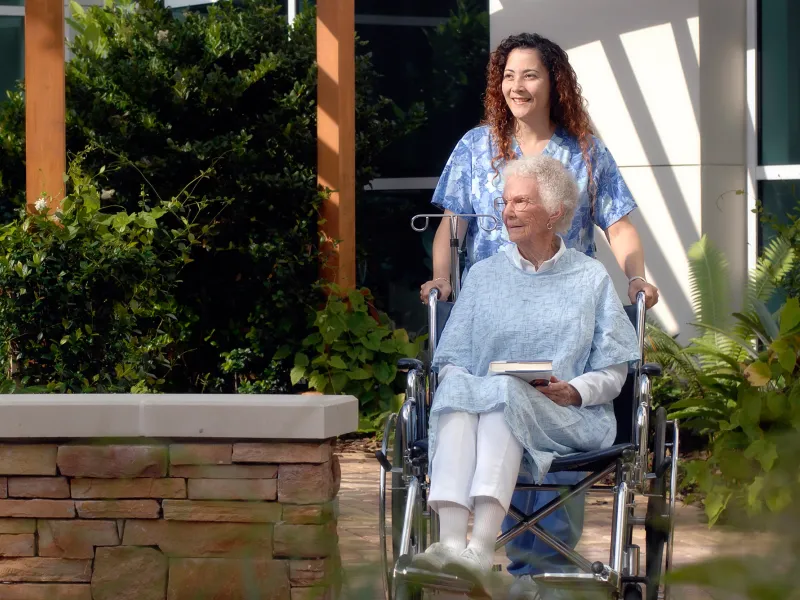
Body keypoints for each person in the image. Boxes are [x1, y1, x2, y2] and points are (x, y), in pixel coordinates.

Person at [418, 32, 659, 598]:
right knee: (475, 393)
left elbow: (619, 226)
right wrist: (447, 282)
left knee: (520, 414)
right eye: (507, 75)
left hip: (562, 310)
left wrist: (634, 278)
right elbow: (451, 229)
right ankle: (464, 548)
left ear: (554, 82)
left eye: (529, 75)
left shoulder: (585, 153)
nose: (516, 86)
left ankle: (541, 569)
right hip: (492, 299)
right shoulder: (477, 147)